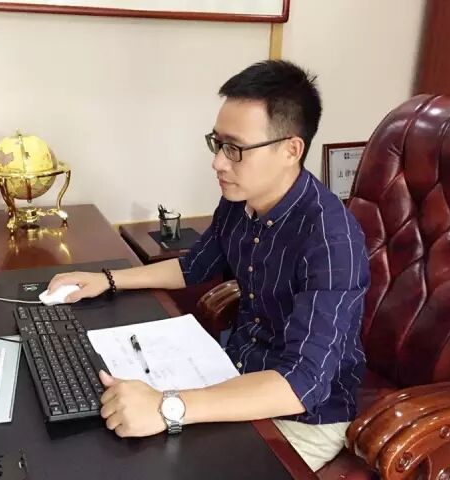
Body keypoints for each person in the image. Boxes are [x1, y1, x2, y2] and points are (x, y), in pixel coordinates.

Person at [47, 60, 370, 471]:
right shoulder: (240, 200)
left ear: (291, 149)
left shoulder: (331, 240)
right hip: (234, 372)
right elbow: (194, 267)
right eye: (217, 144)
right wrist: (107, 279)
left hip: (303, 415)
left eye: (235, 148)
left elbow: (302, 384)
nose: (218, 162)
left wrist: (167, 407)